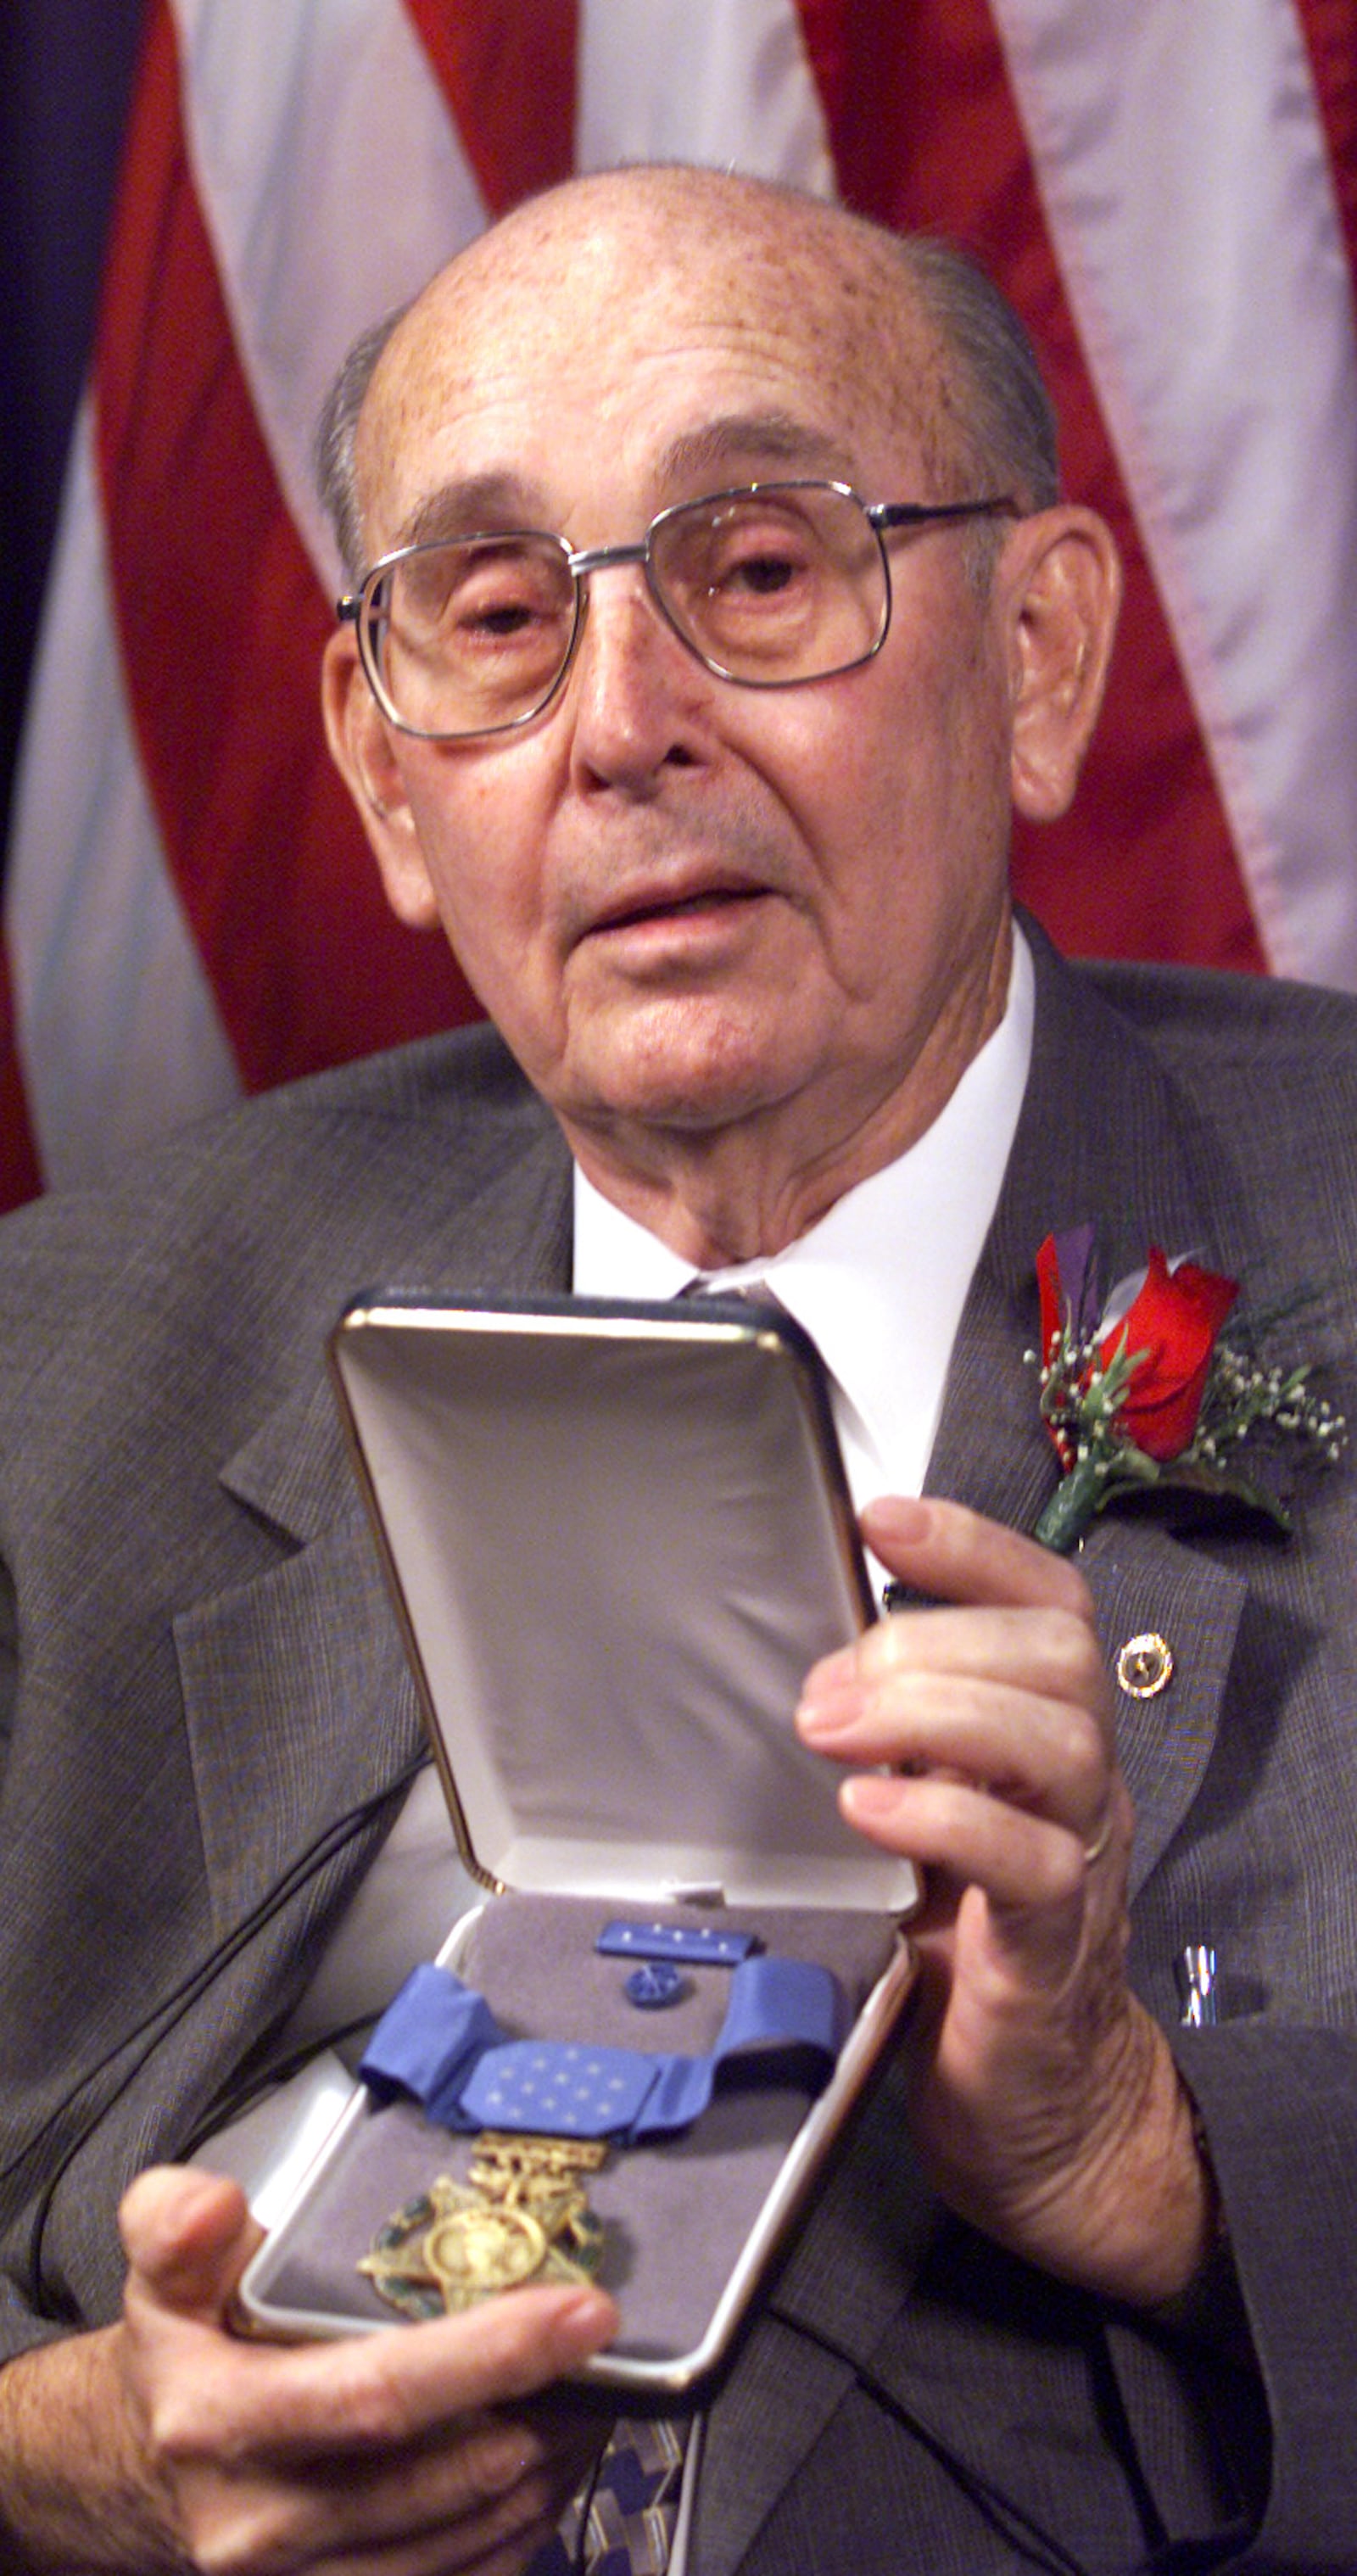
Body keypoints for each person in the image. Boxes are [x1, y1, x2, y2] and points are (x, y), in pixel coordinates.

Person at [1, 162, 1355, 2574]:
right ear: (390, 772)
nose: (622, 729)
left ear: (1039, 655)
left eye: (758, 571)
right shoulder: (60, 1364)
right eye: (497, 616)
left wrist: (1147, 2161)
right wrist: (79, 2455)